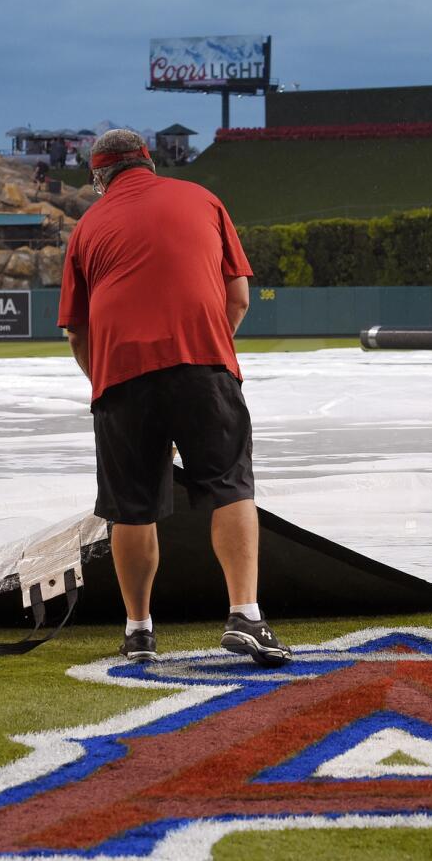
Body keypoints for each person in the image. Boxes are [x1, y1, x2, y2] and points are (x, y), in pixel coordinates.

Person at [57, 129, 291, 667]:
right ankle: (245, 615)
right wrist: (205, 352)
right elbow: (238, 297)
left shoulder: (88, 226)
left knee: (132, 511)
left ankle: (139, 631)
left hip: (122, 378)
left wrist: (106, 382)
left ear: (99, 177)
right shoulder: (202, 199)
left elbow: (76, 331)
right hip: (202, 366)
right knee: (230, 488)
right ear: (149, 163)